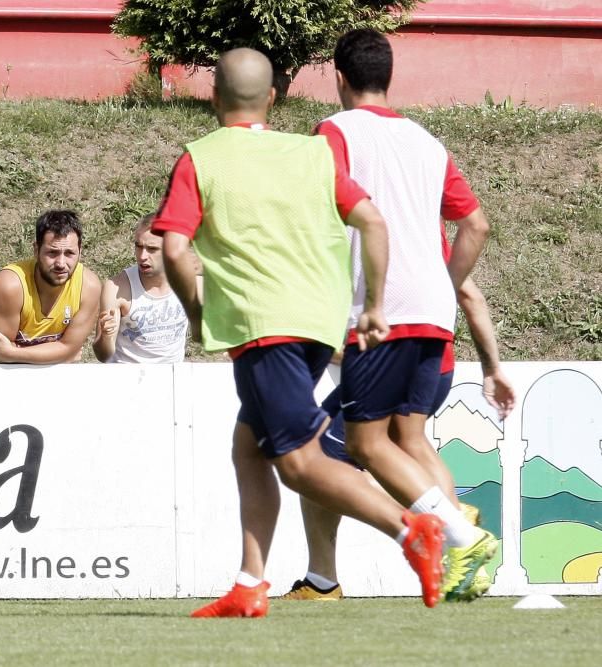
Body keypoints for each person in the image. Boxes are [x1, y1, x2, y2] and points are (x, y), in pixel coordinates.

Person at [154, 47, 448, 617]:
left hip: (265, 325)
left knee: (298, 462)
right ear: (273, 97)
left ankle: (413, 530)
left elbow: (173, 245)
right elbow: (372, 219)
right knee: (250, 447)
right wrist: (374, 303)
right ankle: (249, 582)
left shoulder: (201, 157)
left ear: (213, 98)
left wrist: (194, 309)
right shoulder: (312, 152)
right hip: (317, 322)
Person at [317, 28, 497, 603]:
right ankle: (468, 556)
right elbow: (476, 225)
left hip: (381, 310)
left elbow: (326, 209)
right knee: (409, 437)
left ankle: (460, 537)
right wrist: (444, 287)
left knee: (364, 446)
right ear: (388, 76)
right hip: (433, 312)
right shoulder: (428, 142)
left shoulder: (334, 131)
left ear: (338, 77)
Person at [284, 277, 517, 601]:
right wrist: (491, 368)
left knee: (317, 460)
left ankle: (451, 524)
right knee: (409, 441)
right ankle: (458, 532)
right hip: (431, 359)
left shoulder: (369, 229)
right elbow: (469, 293)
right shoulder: (420, 234)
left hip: (391, 357)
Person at [0, 209, 101, 364]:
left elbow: (69, 348)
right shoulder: (9, 286)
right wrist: (59, 356)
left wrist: (14, 352)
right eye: (52, 253)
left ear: (80, 251)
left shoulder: (88, 287)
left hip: (33, 369)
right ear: (36, 250)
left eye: (69, 253)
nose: (61, 263)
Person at [92, 213, 195, 363]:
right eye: (138, 246)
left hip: (172, 378)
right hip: (129, 378)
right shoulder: (118, 288)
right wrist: (106, 337)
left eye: (152, 249)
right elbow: (103, 355)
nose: (142, 256)